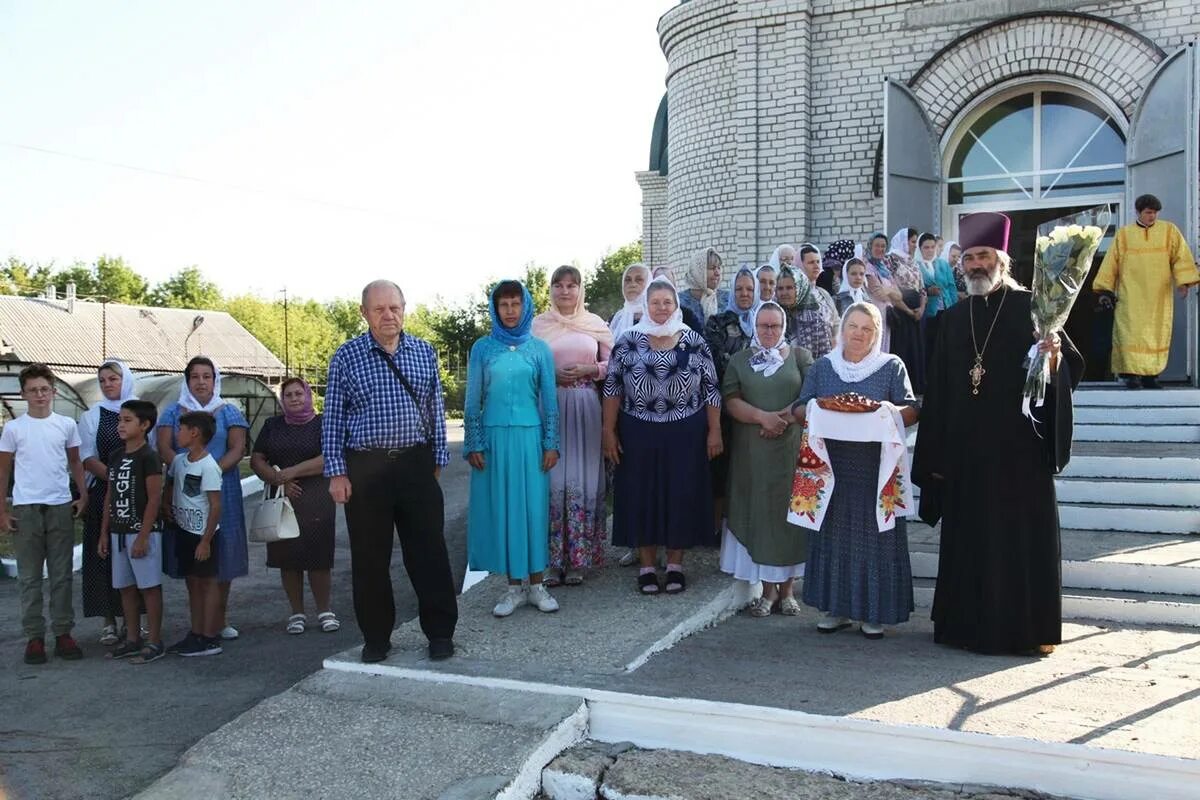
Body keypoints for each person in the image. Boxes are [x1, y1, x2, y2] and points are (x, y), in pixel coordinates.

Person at [913, 211, 1083, 656]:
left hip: (1018, 455)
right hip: (967, 457)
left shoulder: (1034, 307)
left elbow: (1068, 369)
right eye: (968, 258)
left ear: (1001, 259)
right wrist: (934, 460)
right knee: (970, 541)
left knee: (1016, 540)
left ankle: (1027, 630)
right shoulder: (952, 318)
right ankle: (963, 627)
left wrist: (1053, 356)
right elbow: (941, 391)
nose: (974, 265)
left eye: (983, 256)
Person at [322, 280, 458, 663]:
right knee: (370, 559)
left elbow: (435, 409)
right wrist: (337, 472)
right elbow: (332, 419)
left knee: (429, 552)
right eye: (379, 309)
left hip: (415, 463)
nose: (388, 315)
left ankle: (440, 634)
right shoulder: (346, 357)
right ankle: (377, 639)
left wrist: (437, 459)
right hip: (366, 469)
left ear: (404, 309)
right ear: (364, 313)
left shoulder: (423, 352)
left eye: (394, 307)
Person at [791, 304, 919, 638]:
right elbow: (799, 408)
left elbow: (912, 409)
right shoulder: (823, 367)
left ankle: (874, 612)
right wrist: (817, 409)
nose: (859, 334)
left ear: (877, 334)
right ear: (842, 328)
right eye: (853, 326)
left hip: (876, 470)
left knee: (875, 538)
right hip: (832, 469)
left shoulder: (891, 366)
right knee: (833, 537)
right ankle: (836, 609)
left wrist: (886, 411)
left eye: (867, 328)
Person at [603, 277, 722, 595]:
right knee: (642, 493)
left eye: (667, 302)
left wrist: (715, 431)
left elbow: (711, 389)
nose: (661, 308)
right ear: (646, 305)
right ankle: (645, 566)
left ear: (676, 305)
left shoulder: (693, 340)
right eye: (655, 302)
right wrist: (608, 431)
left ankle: (674, 565)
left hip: (685, 430)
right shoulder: (628, 340)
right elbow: (612, 388)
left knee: (680, 493)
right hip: (638, 429)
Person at [466, 280, 560, 616]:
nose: (509, 311)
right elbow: (472, 398)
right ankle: (512, 588)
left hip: (530, 440)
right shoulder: (482, 348)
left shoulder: (539, 349)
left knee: (532, 508)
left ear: (525, 306)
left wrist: (551, 443)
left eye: (515, 304)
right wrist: (474, 442)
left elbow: (549, 401)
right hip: (493, 441)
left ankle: (537, 585)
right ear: (495, 308)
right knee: (503, 509)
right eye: (503, 305)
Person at [720, 302, 813, 616]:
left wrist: (782, 419)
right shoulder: (740, 361)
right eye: (763, 326)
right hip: (753, 452)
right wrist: (763, 418)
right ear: (754, 327)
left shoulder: (800, 357)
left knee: (788, 516)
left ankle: (788, 591)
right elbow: (731, 400)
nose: (769, 332)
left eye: (774, 326)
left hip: (792, 451)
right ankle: (767, 592)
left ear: (783, 327)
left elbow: (809, 395)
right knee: (760, 512)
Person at [0, 364, 87, 664]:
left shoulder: (65, 425)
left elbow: (76, 463)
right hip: (26, 509)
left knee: (62, 575)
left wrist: (83, 495)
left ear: (53, 391)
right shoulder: (13, 429)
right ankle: (34, 637)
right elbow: (3, 470)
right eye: (33, 390)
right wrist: (2, 510)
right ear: (23, 393)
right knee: (30, 577)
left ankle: (63, 632)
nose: (39, 395)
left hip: (60, 505)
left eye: (44, 389)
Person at [157, 357, 248, 642]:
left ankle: (220, 619)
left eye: (206, 376)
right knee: (194, 554)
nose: (201, 382)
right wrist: (187, 472)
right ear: (187, 381)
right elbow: (163, 447)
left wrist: (210, 473)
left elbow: (237, 449)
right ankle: (199, 623)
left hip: (223, 489)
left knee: (223, 551)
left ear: (214, 380)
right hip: (185, 491)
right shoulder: (172, 413)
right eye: (195, 376)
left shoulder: (229, 412)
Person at [532, 267, 612, 587]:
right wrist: (550, 375)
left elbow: (615, 363)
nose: (564, 291)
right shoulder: (537, 326)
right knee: (552, 479)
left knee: (582, 477)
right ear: (550, 289)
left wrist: (589, 368)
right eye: (558, 285)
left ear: (580, 290)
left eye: (571, 285)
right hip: (550, 408)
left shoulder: (594, 325)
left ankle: (579, 559)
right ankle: (551, 562)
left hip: (586, 408)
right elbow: (527, 365)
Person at [250, 378, 338, 635]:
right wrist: (278, 480)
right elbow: (257, 459)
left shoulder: (322, 423)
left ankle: (324, 611)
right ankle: (296, 613)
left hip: (317, 497)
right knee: (288, 558)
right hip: (282, 498)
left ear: (308, 395)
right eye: (288, 395)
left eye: (299, 393)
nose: (295, 398)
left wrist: (291, 472)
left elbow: (329, 457)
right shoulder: (272, 426)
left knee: (319, 558)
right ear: (282, 400)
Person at [1093, 193, 1199, 389]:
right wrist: (1104, 290)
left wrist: (1183, 283)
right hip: (1130, 295)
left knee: (1156, 334)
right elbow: (1111, 263)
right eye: (1149, 212)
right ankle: (1131, 377)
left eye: (1155, 213)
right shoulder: (1124, 234)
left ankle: (1151, 377)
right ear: (1138, 212)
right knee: (1129, 334)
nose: (1153, 217)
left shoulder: (1169, 231)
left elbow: (1180, 257)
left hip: (1159, 296)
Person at [97, 400, 165, 663]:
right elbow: (110, 496)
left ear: (145, 425)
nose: (120, 425)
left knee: (149, 587)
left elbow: (154, 499)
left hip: (142, 533)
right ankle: (133, 638)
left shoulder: (149, 457)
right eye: (119, 420)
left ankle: (155, 641)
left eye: (127, 420)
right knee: (125, 588)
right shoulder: (115, 456)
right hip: (118, 532)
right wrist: (105, 532)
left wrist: (144, 535)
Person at [77, 359, 136, 645]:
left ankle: (132, 620)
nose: (108, 384)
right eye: (102, 380)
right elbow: (87, 457)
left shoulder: (141, 409)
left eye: (113, 378)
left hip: (137, 493)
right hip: (104, 492)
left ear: (125, 379)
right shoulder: (91, 416)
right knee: (103, 556)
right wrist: (117, 479)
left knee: (132, 553)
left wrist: (130, 481)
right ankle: (108, 619)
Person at [163, 411, 224, 657]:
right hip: (184, 531)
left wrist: (206, 541)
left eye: (181, 429)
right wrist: (167, 506)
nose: (178, 434)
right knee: (192, 583)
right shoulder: (179, 461)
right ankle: (196, 632)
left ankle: (209, 636)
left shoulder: (209, 466)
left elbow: (215, 505)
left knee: (207, 583)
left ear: (194, 432)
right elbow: (171, 485)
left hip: (202, 534)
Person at [884, 228, 927, 393]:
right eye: (912, 241)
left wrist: (922, 308)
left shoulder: (913, 261)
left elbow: (922, 288)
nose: (915, 245)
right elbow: (891, 286)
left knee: (918, 347)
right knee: (904, 347)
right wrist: (908, 310)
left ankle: (917, 385)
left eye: (916, 241)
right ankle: (901, 388)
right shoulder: (891, 259)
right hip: (901, 309)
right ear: (903, 241)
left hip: (917, 310)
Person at [914, 232, 959, 371]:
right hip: (928, 312)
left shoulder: (942, 264)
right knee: (930, 345)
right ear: (919, 248)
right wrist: (928, 291)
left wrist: (955, 309)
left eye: (932, 247)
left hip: (946, 309)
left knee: (945, 344)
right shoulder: (916, 265)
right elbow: (915, 289)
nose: (929, 250)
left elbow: (951, 287)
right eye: (926, 247)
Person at [863, 232, 901, 352]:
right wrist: (891, 292)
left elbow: (899, 296)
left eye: (883, 246)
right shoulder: (867, 268)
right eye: (877, 246)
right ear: (870, 246)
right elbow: (879, 294)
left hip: (886, 318)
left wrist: (888, 290)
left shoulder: (885, 269)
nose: (880, 249)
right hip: (874, 316)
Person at [799, 244, 840, 351]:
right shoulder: (795, 294)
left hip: (828, 349)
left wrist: (836, 338)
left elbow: (836, 321)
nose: (816, 266)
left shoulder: (823, 293)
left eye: (818, 262)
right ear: (801, 265)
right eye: (811, 262)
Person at [678, 246, 727, 328]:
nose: (717, 273)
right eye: (712, 268)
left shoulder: (727, 299)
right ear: (698, 272)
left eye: (719, 268)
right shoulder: (679, 302)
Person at [651, 265, 705, 332]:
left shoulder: (687, 316)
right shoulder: (643, 319)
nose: (663, 288)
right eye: (658, 284)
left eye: (668, 283)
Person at [609, 262, 651, 340]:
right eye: (628, 280)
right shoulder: (616, 319)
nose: (632, 284)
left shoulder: (657, 318)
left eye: (639, 280)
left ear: (649, 284)